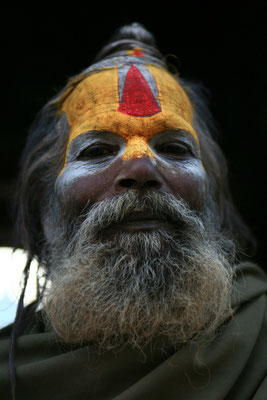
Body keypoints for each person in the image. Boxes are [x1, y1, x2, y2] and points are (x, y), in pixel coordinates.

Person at [0, 22, 266, 400]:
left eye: (174, 149)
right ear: (47, 210)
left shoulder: (261, 338)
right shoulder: (10, 367)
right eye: (96, 151)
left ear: (212, 204)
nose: (140, 169)